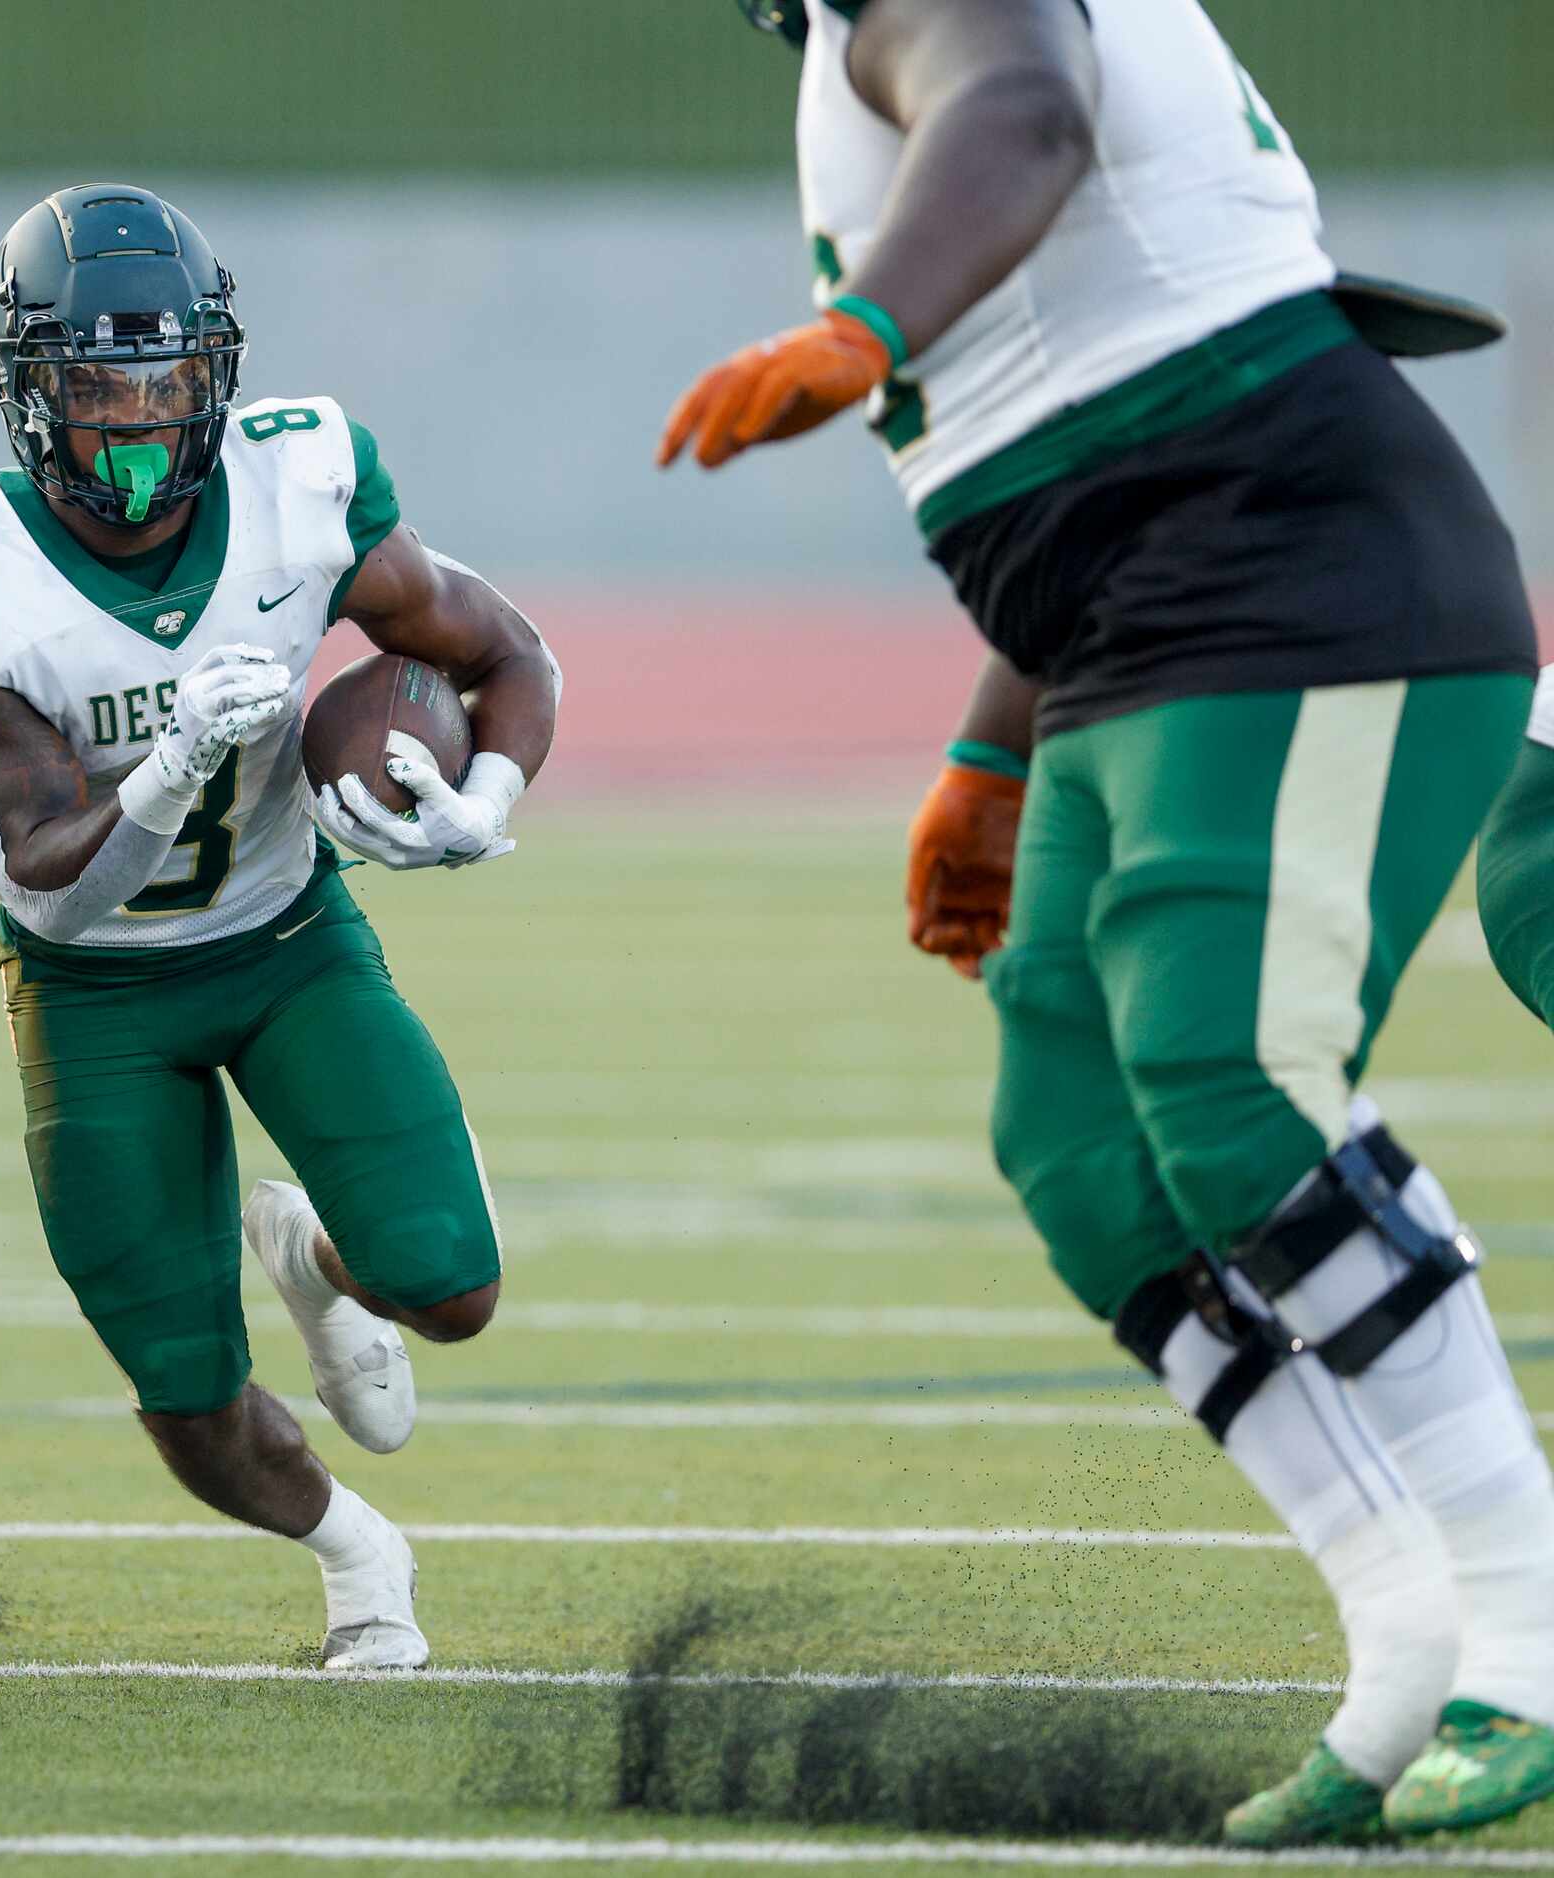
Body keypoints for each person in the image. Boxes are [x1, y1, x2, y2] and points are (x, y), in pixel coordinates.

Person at [662, 0, 1544, 1843]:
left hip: (1293, 576)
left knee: (1232, 1079)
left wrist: (859, 327)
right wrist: (990, 754)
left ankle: (1531, 1634)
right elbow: (1074, 401)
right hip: (1133, 618)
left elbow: (1025, 110)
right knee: (1079, 1139)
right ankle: (1404, 1632)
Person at [0, 184, 556, 1668]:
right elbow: (49, 876)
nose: (140, 426)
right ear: (26, 396)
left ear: (217, 374)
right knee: (184, 1384)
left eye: (170, 385)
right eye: (98, 391)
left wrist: (487, 796)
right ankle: (362, 1559)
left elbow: (503, 650)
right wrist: (171, 763)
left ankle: (316, 1261)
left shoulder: (306, 488)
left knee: (452, 1283)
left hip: (288, 939)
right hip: (91, 989)